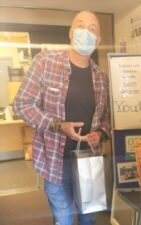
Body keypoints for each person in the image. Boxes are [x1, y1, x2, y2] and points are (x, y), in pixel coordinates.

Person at [13, 11, 110, 225]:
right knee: (64, 219)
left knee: (88, 218)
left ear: (99, 39)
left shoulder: (101, 77)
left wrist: (100, 134)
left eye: (92, 29)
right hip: (55, 162)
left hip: (88, 161)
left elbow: (106, 119)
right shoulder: (44, 62)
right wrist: (57, 125)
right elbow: (21, 105)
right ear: (71, 31)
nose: (86, 32)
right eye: (80, 26)